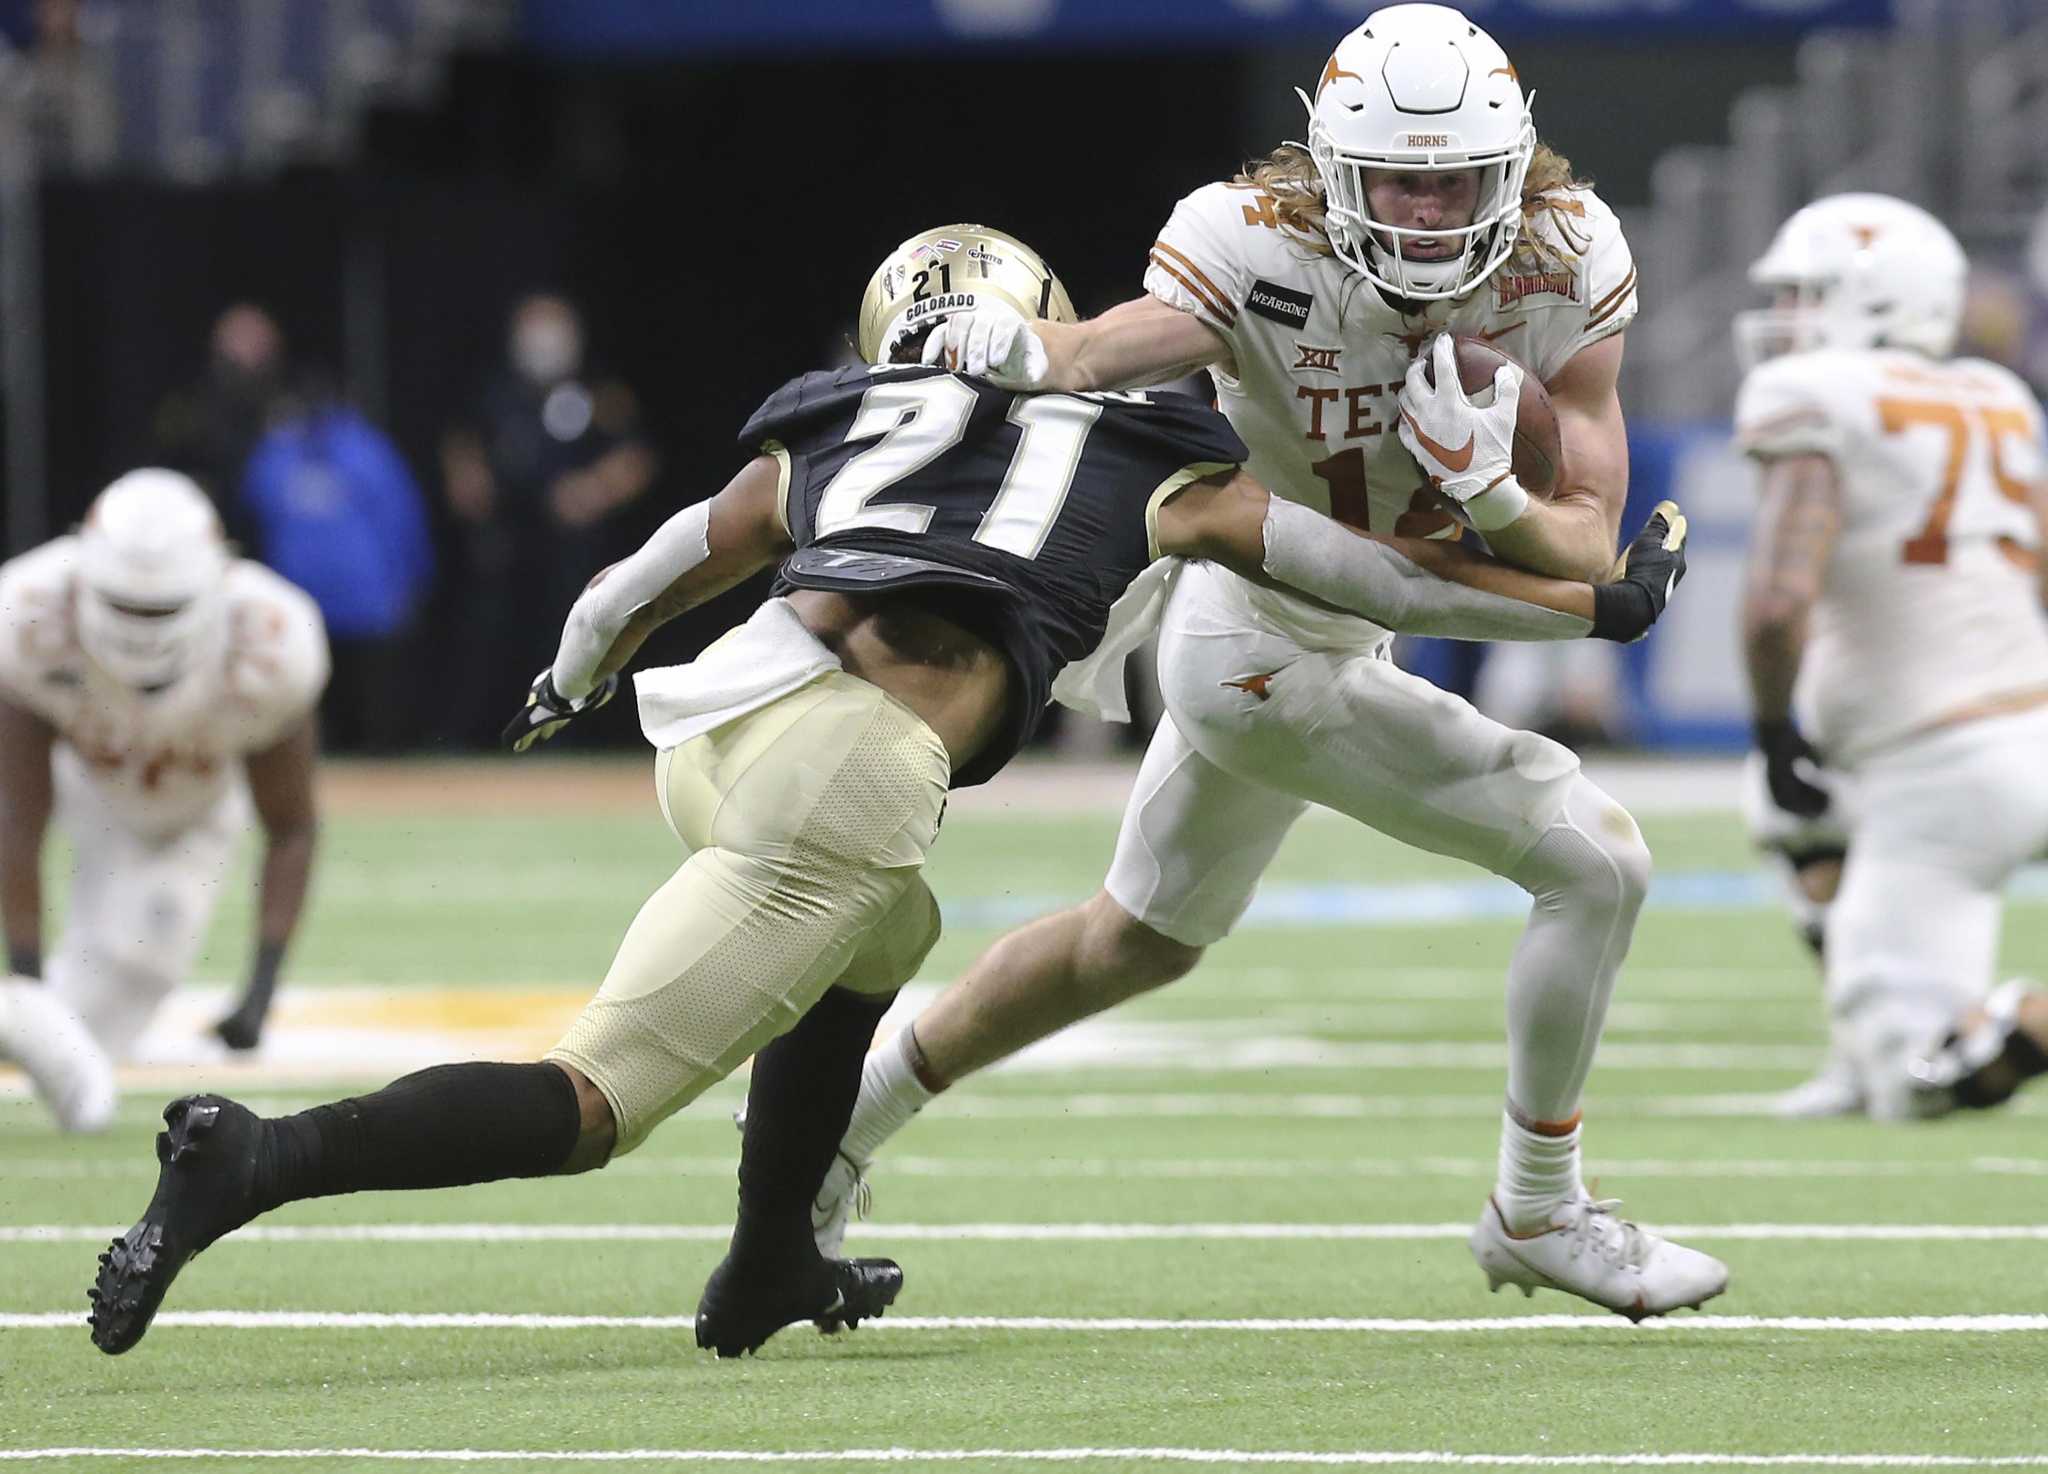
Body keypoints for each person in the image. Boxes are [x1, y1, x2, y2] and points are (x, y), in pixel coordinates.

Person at [85, 223, 1688, 1359]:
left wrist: (564, 683)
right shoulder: (1154, 458)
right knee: (594, 1102)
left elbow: (636, 581)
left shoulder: (839, 417)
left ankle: (772, 1256)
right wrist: (1585, 602)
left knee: (890, 928)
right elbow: (1381, 588)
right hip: (841, 774)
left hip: (709, 733)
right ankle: (255, 1162)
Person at [791, 2, 1728, 1324]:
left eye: (1456, 177)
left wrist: (1493, 494)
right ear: (1332, 166)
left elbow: (1582, 542)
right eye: (1398, 174)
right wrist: (1015, 351)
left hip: (1337, 628)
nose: (1424, 209)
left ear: (1513, 169)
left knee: (1129, 944)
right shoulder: (1251, 239)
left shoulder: (1566, 254)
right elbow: (1101, 348)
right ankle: (1539, 1205)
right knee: (1600, 857)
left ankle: (829, 1130)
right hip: (1257, 639)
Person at [1734, 193, 2048, 1121]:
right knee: (1788, 813)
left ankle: (1980, 1026)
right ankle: (1853, 1043)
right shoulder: (2001, 395)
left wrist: (1768, 721)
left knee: (1914, 1083)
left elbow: (1778, 602)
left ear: (1871, 299)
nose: (1785, 317)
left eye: (1805, 294)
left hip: (1938, 768)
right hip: (2016, 729)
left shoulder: (1816, 397)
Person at [0, 469, 327, 1132]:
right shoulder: (28, 611)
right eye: (124, 605)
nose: (140, 627)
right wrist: (26, 977)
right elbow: (16, 811)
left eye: (158, 609)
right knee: (50, 1027)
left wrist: (260, 990)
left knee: (113, 997)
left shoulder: (272, 640)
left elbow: (291, 827)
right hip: (83, 787)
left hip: (193, 817)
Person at [438, 294, 658, 746]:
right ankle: (475, 739)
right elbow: (461, 446)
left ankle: (575, 742)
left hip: (574, 548)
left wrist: (594, 490)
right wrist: (469, 484)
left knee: (576, 640)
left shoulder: (599, 391)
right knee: (489, 641)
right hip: (507, 540)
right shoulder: (495, 391)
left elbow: (637, 457)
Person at [240, 377, 436, 752]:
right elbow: (254, 512)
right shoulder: (279, 454)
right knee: (313, 716)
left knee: (369, 722)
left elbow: (403, 521)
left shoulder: (364, 450)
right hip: (316, 607)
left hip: (358, 610)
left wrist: (411, 582)